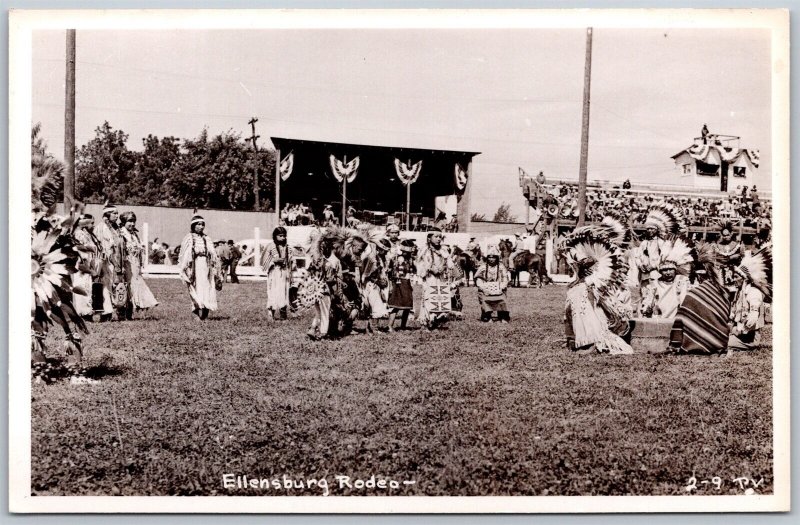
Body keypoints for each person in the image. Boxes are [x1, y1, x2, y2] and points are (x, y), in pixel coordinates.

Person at [563, 234, 633, 355]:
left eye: (588, 267)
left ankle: (593, 342)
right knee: (576, 294)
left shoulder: (600, 280)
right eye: (582, 267)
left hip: (606, 317)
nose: (585, 270)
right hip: (590, 300)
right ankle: (576, 339)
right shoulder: (578, 286)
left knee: (582, 295)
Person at [668, 243, 731, 355]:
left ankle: (694, 343)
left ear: (697, 275)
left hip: (698, 342)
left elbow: (681, 317)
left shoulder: (693, 294)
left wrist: (676, 343)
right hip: (721, 340)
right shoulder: (723, 292)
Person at [727, 245, 772, 353]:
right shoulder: (740, 292)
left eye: (736, 277)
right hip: (740, 332)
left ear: (744, 279)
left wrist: (739, 331)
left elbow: (753, 317)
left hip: (749, 337)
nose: (734, 279)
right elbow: (734, 313)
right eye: (733, 277)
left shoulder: (753, 292)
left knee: (721, 342)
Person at [178, 214, 220, 320]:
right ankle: (196, 311)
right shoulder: (189, 238)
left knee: (208, 288)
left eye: (202, 225)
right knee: (196, 288)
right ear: (193, 226)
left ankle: (205, 312)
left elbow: (213, 254)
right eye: (198, 224)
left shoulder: (207, 239)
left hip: (206, 267)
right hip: (195, 267)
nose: (201, 227)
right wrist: (185, 268)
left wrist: (215, 268)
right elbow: (185, 255)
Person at [119, 211, 158, 318]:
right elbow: (120, 251)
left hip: (135, 265)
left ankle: (134, 311)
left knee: (137, 286)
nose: (132, 224)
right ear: (123, 222)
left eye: (133, 221)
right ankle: (125, 312)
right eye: (129, 221)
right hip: (126, 264)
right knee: (128, 287)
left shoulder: (134, 234)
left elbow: (140, 250)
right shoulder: (121, 234)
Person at [92, 204, 127, 322]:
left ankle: (114, 312)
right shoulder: (101, 228)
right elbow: (103, 248)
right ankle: (105, 313)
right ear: (107, 214)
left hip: (116, 261)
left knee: (114, 286)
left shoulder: (115, 228)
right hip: (106, 262)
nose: (117, 216)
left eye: (117, 213)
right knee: (106, 286)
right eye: (114, 213)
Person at [306, 235, 342, 340]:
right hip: (324, 291)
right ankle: (323, 333)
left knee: (318, 312)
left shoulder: (314, 262)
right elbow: (330, 280)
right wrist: (336, 286)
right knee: (325, 312)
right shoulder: (328, 264)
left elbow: (309, 273)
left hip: (314, 290)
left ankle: (312, 329)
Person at [416, 229, 453, 330]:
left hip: (441, 278)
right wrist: (430, 269)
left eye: (440, 237)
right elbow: (419, 264)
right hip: (429, 278)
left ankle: (436, 323)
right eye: (436, 237)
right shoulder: (424, 250)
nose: (438, 239)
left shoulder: (444, 250)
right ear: (429, 238)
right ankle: (425, 324)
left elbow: (450, 264)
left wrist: (444, 267)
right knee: (428, 298)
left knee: (440, 298)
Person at [72, 213, 103, 321]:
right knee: (82, 287)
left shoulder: (86, 233)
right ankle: (83, 313)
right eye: (92, 223)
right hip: (82, 265)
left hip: (87, 264)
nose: (93, 225)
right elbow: (79, 252)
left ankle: (86, 313)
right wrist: (87, 268)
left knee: (87, 288)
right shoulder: (79, 234)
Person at [263, 226, 293, 321]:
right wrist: (274, 261)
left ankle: (283, 315)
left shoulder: (288, 247)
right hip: (274, 273)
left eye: (284, 236)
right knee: (273, 293)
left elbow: (291, 261)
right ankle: (270, 314)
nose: (283, 238)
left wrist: (290, 269)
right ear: (275, 236)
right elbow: (264, 261)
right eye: (280, 236)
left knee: (284, 293)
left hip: (284, 273)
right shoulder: (270, 246)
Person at [362, 237, 391, 333]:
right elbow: (366, 274)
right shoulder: (372, 258)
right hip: (370, 285)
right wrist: (378, 281)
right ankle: (374, 328)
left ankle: (369, 328)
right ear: (379, 249)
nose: (386, 253)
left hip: (376, 285)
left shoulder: (379, 258)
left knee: (374, 306)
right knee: (375, 306)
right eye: (384, 251)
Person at [474, 245, 510, 322]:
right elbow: (478, 278)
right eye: (489, 257)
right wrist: (483, 287)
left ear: (496, 258)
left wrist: (502, 287)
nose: (491, 259)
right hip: (485, 288)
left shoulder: (501, 267)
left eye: (493, 257)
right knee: (483, 298)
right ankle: (487, 316)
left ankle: (502, 317)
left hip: (499, 288)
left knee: (502, 299)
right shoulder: (483, 267)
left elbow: (505, 278)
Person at [387, 239, 416, 332]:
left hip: (407, 283)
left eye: (408, 252)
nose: (406, 253)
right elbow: (391, 271)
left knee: (407, 306)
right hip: (398, 283)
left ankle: (403, 326)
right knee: (396, 305)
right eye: (405, 252)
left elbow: (413, 270)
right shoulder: (396, 258)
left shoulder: (411, 260)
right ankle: (390, 326)